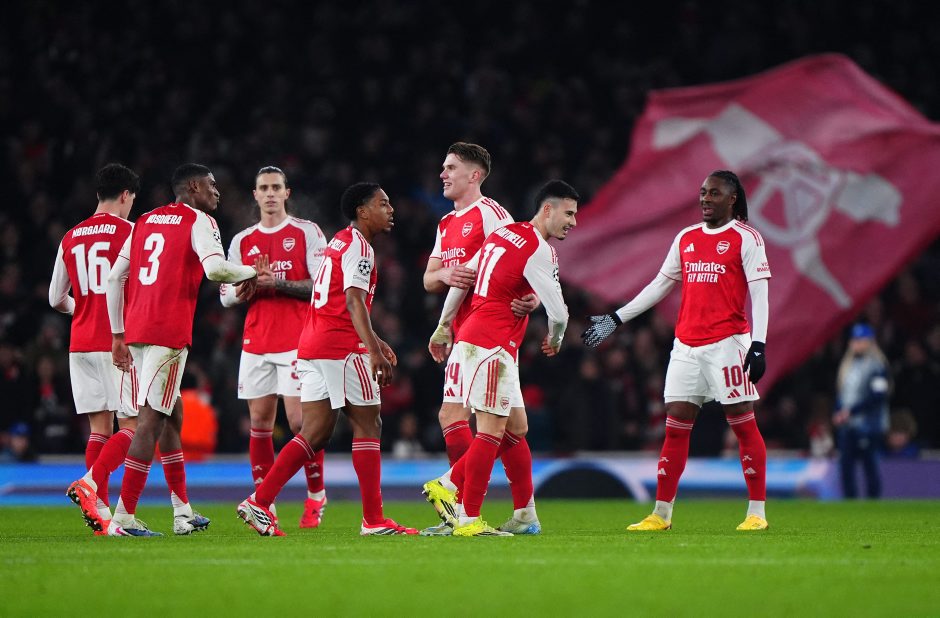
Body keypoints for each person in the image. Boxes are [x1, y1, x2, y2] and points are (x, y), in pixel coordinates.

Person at [582, 170, 772, 532]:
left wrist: (759, 344)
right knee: (675, 426)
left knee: (742, 423)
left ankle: (756, 513)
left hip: (728, 343)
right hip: (686, 345)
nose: (705, 199)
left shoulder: (746, 238)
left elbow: (760, 293)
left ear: (732, 199)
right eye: (703, 192)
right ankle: (661, 514)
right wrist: (616, 318)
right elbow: (660, 285)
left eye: (714, 193)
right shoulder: (686, 238)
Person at [79, 163, 258, 537]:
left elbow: (114, 278)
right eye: (211, 185)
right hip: (168, 333)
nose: (217, 192)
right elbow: (215, 270)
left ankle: (182, 512)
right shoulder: (199, 220)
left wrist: (117, 334)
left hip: (136, 331)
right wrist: (251, 271)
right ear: (193, 187)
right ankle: (119, 512)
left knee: (171, 413)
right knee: (150, 420)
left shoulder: (144, 220)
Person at [237, 182, 416, 536]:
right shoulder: (360, 248)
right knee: (369, 424)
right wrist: (373, 350)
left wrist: (377, 340)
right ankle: (374, 520)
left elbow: (337, 299)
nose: (390, 209)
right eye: (383, 203)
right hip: (340, 348)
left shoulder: (339, 241)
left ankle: (259, 501)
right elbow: (352, 301)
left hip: (311, 345)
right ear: (363, 211)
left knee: (314, 433)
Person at [426, 180, 578, 536]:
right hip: (492, 345)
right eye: (569, 213)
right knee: (491, 431)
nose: (573, 222)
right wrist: (555, 339)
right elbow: (559, 314)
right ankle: (461, 508)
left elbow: (464, 279)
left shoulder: (502, 234)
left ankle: (524, 515)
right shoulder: (540, 249)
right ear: (547, 210)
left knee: (516, 428)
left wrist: (444, 325)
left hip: (475, 338)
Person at [420, 142, 541, 536]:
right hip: (464, 331)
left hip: (489, 331)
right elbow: (429, 279)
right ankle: (524, 514)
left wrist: (535, 297)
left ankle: (460, 509)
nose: (443, 174)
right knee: (513, 428)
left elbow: (526, 261)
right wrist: (445, 275)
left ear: (474, 175)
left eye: (450, 167)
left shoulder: (493, 215)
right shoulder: (445, 224)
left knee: (456, 416)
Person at [220, 166, 329, 528]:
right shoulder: (242, 241)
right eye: (263, 188)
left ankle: (316, 495)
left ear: (286, 192)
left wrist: (276, 282)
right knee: (260, 423)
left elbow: (321, 285)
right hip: (256, 340)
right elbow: (225, 295)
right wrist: (245, 288)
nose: (269, 193)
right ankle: (266, 505)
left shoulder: (306, 232)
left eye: (275, 187)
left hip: (297, 341)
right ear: (255, 194)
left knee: (300, 422)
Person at [53, 163, 140, 533]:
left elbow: (56, 298)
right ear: (125, 195)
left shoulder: (70, 236)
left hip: (80, 344)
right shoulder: (131, 232)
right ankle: (89, 484)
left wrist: (83, 308)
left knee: (98, 429)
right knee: (133, 426)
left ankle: (101, 513)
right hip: (116, 344)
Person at [832, 323, 890, 498]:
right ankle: (850, 502)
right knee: (846, 466)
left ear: (870, 342)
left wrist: (851, 411)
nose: (856, 343)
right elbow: (842, 393)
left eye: (861, 340)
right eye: (855, 340)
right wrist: (839, 411)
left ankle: (873, 502)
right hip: (848, 425)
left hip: (869, 425)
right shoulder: (847, 366)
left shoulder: (877, 366)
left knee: (869, 465)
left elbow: (877, 396)